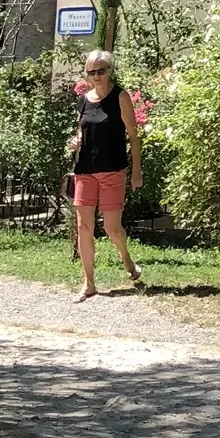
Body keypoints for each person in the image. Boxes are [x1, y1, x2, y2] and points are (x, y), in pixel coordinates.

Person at [69, 48, 144, 301]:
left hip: (113, 170)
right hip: (85, 171)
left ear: (109, 71)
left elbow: (134, 137)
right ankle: (89, 283)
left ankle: (126, 259)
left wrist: (136, 171)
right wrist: (75, 141)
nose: (96, 76)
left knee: (112, 229)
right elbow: (82, 131)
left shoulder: (120, 97)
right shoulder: (83, 100)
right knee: (84, 226)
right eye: (92, 72)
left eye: (101, 71)